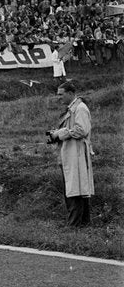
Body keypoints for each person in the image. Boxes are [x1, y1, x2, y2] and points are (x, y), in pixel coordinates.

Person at [47, 81, 94, 227]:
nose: (59, 97)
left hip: (77, 154)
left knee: (75, 189)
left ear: (70, 93)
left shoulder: (80, 108)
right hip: (70, 154)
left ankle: (74, 225)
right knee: (76, 188)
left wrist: (61, 133)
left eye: (61, 94)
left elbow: (81, 130)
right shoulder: (72, 109)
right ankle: (83, 223)